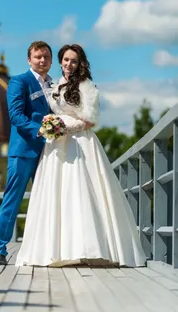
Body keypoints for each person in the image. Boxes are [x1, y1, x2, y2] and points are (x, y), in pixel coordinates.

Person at [16, 44, 146, 267]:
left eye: (73, 61)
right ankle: (57, 249)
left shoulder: (86, 86)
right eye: (65, 60)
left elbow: (90, 119)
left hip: (80, 143)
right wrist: (51, 124)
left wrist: (66, 127)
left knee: (83, 192)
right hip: (56, 146)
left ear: (80, 63)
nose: (69, 64)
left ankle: (91, 247)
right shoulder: (57, 84)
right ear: (61, 62)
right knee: (58, 194)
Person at [0, 40, 53, 265]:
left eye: (46, 56)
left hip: (47, 153)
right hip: (23, 152)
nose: (42, 60)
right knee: (13, 200)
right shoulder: (19, 81)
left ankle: (46, 247)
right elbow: (16, 116)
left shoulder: (53, 85)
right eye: (38, 57)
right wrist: (40, 130)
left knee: (48, 199)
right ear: (29, 59)